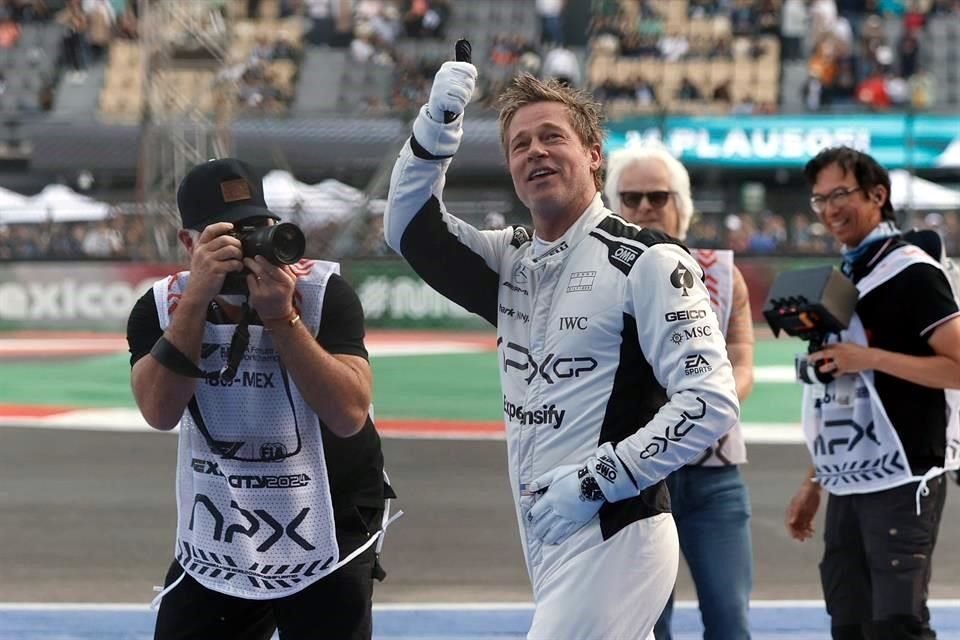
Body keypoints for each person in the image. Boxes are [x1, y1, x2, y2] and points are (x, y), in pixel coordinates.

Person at [383, 60, 740, 639]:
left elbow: (711, 401)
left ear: (594, 155)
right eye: (520, 144)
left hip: (616, 530)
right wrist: (437, 127)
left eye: (553, 136)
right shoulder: (510, 260)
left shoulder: (647, 260)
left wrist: (599, 478)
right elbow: (409, 230)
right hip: (546, 533)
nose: (535, 152)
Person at [126, 158, 394, 640]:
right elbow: (159, 411)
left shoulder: (321, 294)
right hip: (222, 524)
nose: (246, 250)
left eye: (257, 230)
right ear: (189, 244)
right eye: (225, 236)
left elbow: (350, 414)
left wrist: (280, 318)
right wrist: (197, 301)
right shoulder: (162, 308)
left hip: (333, 519)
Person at [785, 146, 960, 640]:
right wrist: (814, 482)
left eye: (840, 194)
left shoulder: (912, 270)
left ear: (877, 195)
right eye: (819, 200)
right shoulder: (846, 276)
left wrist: (871, 359)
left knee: (896, 628)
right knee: (850, 625)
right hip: (845, 478)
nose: (829, 209)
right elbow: (840, 391)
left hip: (903, 472)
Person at [604, 143, 755, 640]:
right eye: (631, 197)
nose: (645, 207)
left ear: (682, 205)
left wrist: (706, 400)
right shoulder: (598, 277)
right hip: (635, 478)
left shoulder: (722, 273)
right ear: (612, 205)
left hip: (712, 475)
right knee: (647, 625)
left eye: (658, 196)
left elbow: (742, 363)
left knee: (730, 621)